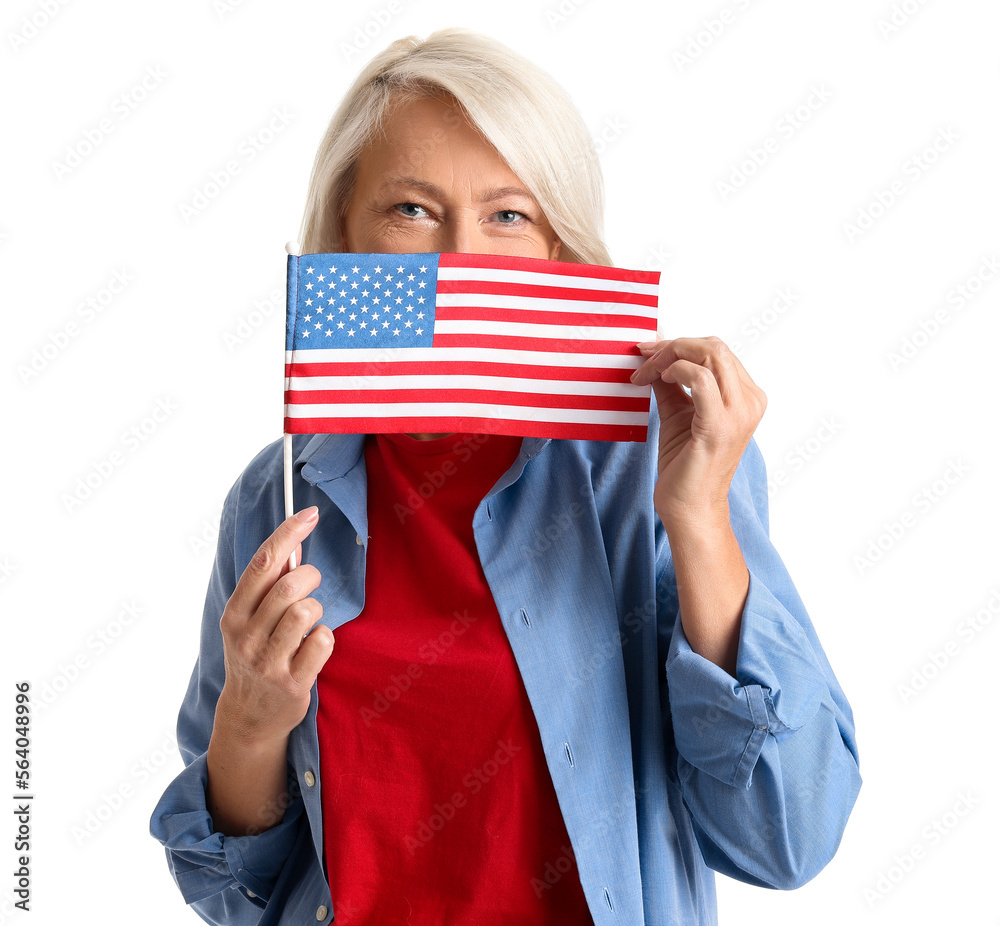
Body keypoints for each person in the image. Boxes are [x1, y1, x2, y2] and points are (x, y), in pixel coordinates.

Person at [150, 27, 861, 926]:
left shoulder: (658, 464)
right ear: (343, 236)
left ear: (562, 248)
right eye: (410, 210)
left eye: (508, 215)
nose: (460, 257)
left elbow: (789, 838)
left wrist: (701, 522)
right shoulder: (276, 496)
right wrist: (249, 726)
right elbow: (232, 895)